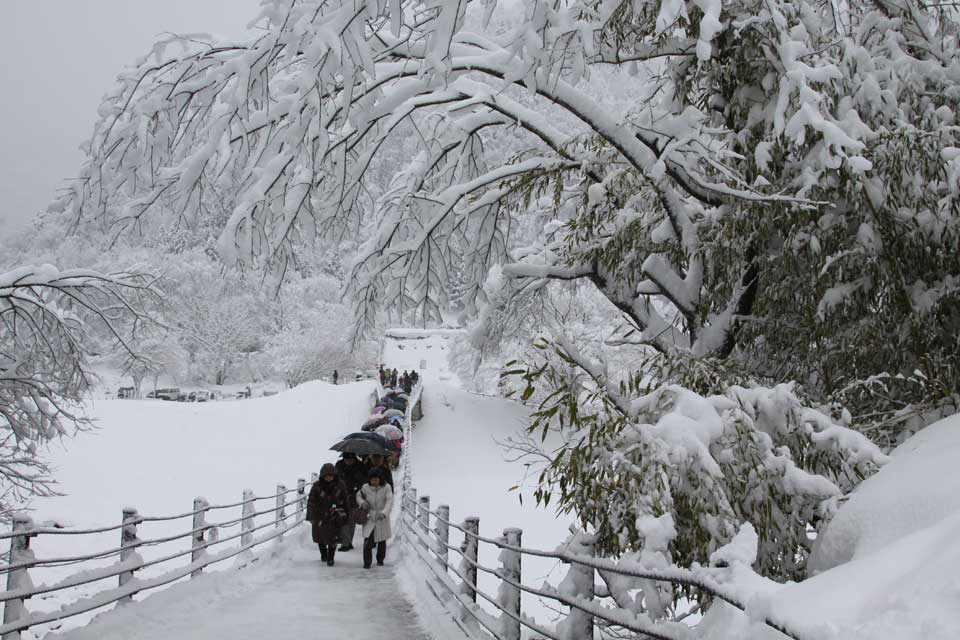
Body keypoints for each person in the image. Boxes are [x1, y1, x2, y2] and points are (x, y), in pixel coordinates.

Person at [306, 463, 351, 566]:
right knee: (320, 537)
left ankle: (331, 557)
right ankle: (323, 554)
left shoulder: (340, 485)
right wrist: (311, 516)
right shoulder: (317, 486)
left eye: (331, 475)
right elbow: (311, 501)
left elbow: (345, 500)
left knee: (333, 538)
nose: (329, 478)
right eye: (327, 475)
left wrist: (347, 514)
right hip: (320, 515)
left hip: (335, 516)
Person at [357, 467, 393, 569]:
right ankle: (367, 562)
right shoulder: (365, 488)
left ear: (380, 478)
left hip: (381, 518)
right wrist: (362, 503)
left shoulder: (387, 488)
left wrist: (384, 513)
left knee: (381, 540)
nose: (374, 481)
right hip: (369, 516)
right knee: (368, 540)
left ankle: (380, 559)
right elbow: (358, 496)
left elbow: (389, 501)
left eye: (376, 479)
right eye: (372, 479)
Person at [335, 453, 368, 551]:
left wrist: (357, 476)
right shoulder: (339, 465)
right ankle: (346, 543)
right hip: (341, 496)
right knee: (343, 519)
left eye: (350, 459)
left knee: (352, 520)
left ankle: (348, 542)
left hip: (355, 496)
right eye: (346, 459)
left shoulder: (360, 466)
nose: (348, 461)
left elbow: (364, 481)